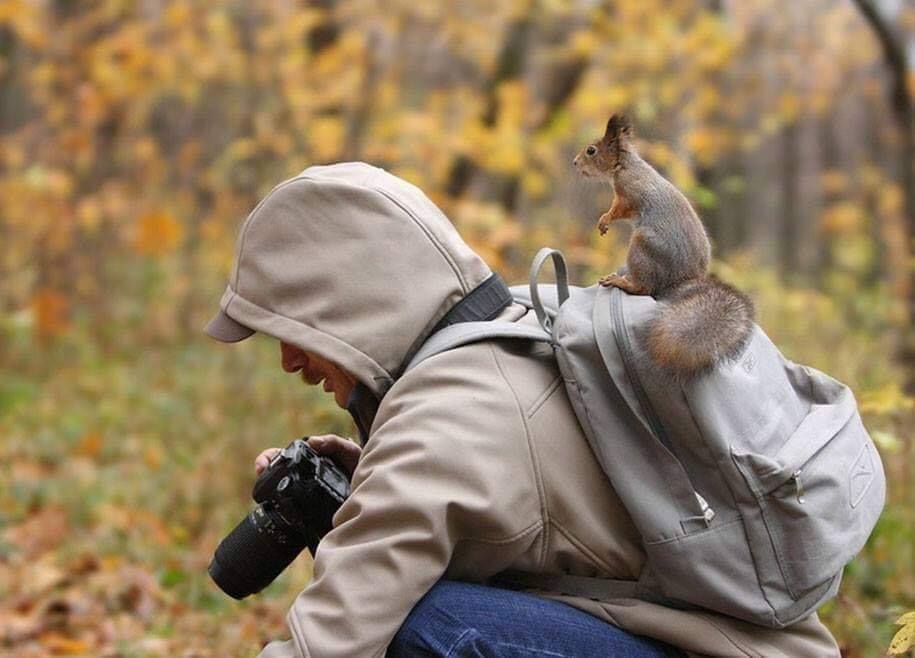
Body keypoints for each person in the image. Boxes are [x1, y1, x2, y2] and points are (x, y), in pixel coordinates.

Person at [204, 162, 840, 657]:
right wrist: (370, 473)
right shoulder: (517, 322)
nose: (290, 360)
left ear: (342, 304)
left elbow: (333, 637)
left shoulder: (446, 418)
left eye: (293, 330)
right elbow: (523, 501)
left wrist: (389, 480)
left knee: (422, 629)